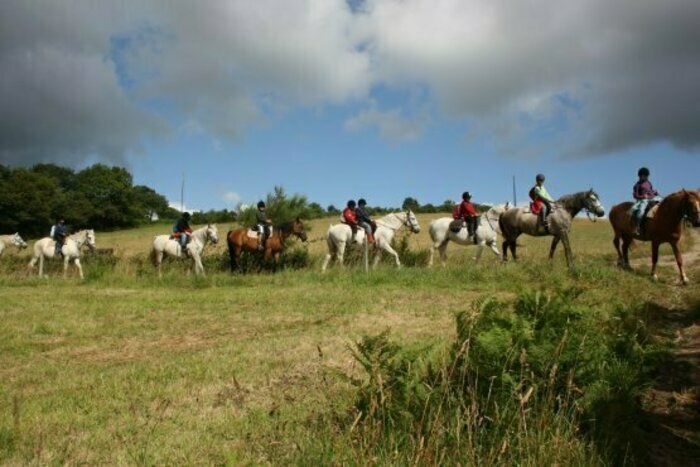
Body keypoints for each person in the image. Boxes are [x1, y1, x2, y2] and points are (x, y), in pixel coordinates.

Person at [632, 167, 661, 235]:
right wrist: (643, 196)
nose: (646, 177)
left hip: (652, 198)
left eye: (647, 176)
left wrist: (655, 192)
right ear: (640, 176)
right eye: (645, 176)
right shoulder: (637, 185)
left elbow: (650, 191)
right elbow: (635, 196)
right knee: (641, 211)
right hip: (643, 200)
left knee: (664, 202)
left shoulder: (649, 183)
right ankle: (637, 227)